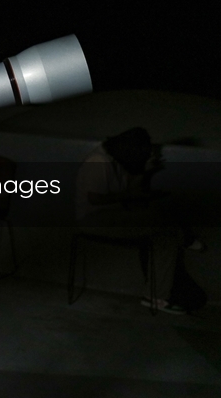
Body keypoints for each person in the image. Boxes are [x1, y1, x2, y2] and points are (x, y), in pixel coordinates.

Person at [75, 127, 203, 315]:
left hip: (113, 216)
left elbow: (131, 191)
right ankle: (186, 239)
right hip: (95, 220)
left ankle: (155, 296)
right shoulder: (98, 161)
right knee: (163, 225)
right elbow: (95, 198)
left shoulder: (117, 160)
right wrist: (130, 195)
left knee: (165, 234)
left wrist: (145, 172)